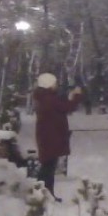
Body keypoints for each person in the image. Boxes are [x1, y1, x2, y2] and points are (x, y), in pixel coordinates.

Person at [33, 73, 82, 201]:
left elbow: (61, 107)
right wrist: (76, 95)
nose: (57, 85)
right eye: (54, 83)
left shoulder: (45, 97)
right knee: (48, 168)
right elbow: (67, 107)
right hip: (51, 138)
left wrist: (69, 97)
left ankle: (45, 194)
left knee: (48, 167)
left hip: (47, 137)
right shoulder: (49, 99)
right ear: (48, 85)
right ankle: (42, 194)